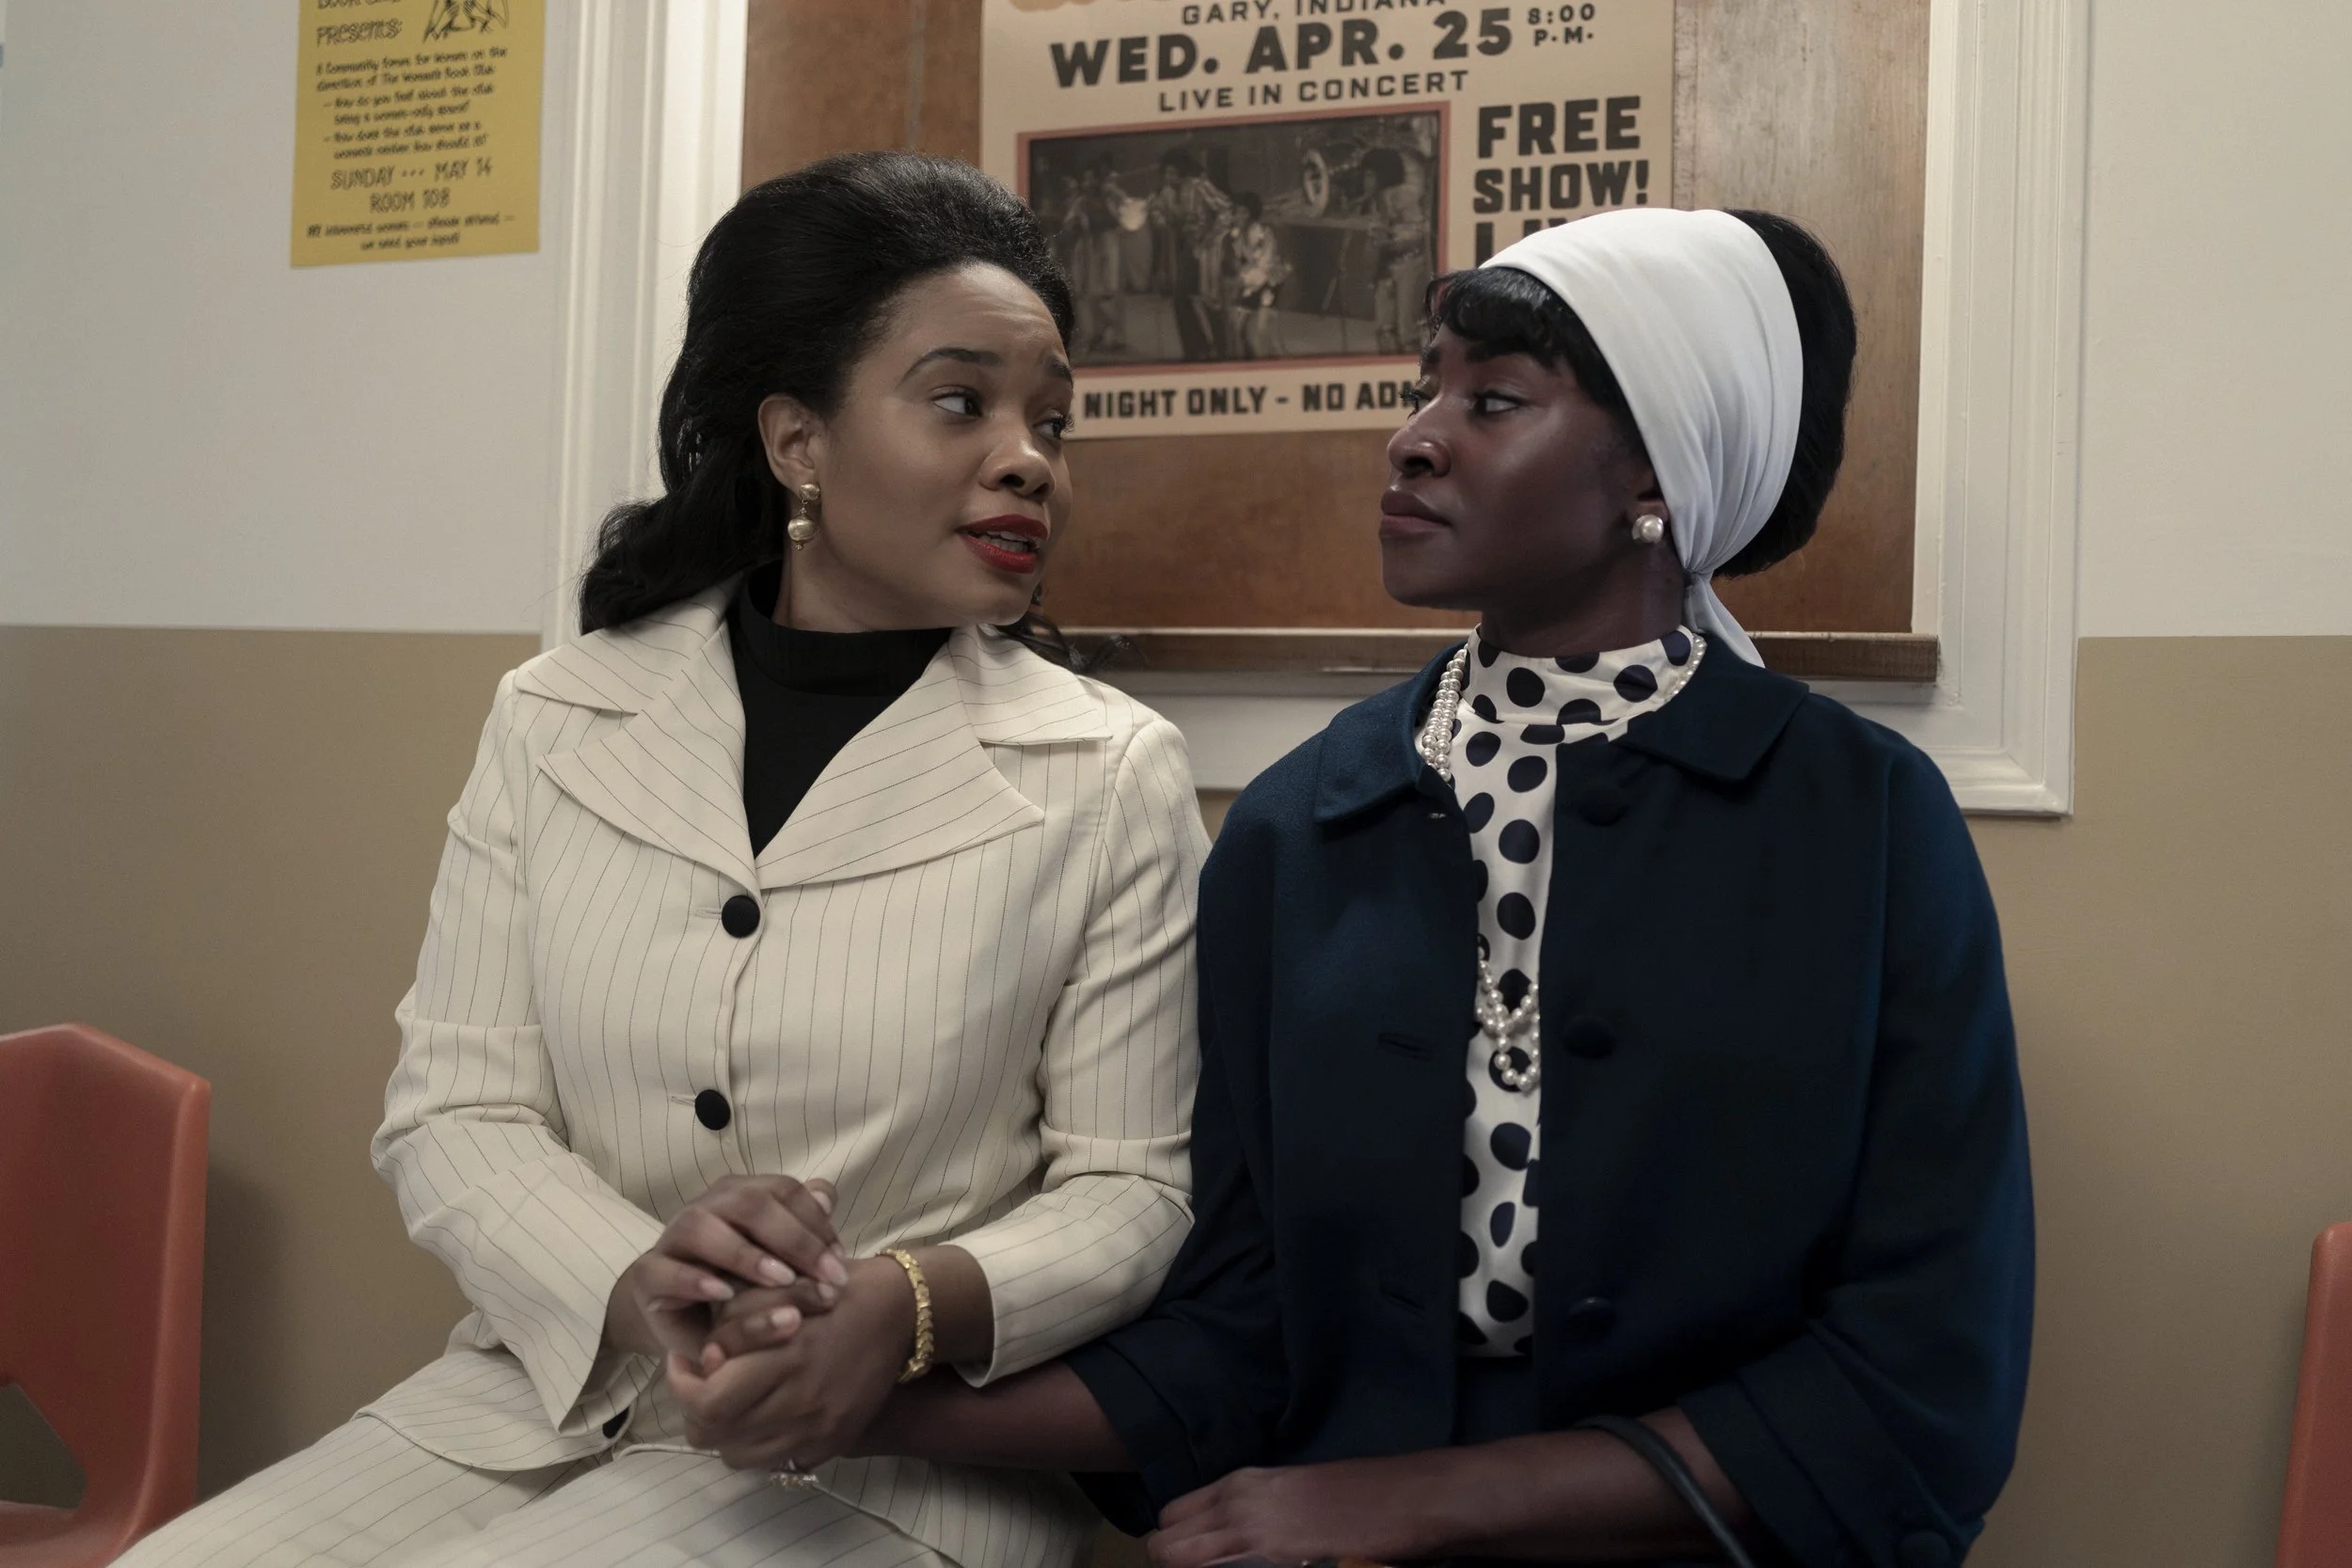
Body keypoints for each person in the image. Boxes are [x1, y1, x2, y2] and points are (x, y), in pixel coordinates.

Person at [718, 206, 2032, 1568]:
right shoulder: (1300, 823)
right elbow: (1235, 1328)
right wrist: (855, 1389)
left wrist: (1418, 1497)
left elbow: (1924, 1367)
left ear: (1657, 465)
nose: (1412, 437)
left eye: (1494, 400)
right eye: (1424, 389)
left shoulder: (1863, 820)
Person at [117, 152, 1209, 1568]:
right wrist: (635, 1280)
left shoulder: (1109, 772)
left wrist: (904, 1303)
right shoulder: (559, 713)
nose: (1029, 459)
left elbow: (1134, 1194)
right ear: (797, 440)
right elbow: (456, 1106)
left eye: (1050, 420)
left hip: (885, 1459)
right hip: (537, 1400)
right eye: (962, 401)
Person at [1147, 149, 1232, 361]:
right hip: (1186, 249)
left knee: (1209, 297)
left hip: (1208, 249)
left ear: (1183, 172)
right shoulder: (1167, 192)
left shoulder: (1199, 186)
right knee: (1180, 297)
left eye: (1173, 173)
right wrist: (1159, 219)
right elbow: (1156, 210)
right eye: (1166, 173)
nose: (1169, 178)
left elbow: (1225, 208)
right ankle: (1196, 348)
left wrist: (1213, 235)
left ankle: (1222, 349)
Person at [1363, 145, 1431, 355]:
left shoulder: (1405, 198)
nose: (1365, 181)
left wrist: (1389, 241)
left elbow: (1419, 234)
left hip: (1409, 265)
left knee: (1407, 330)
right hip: (1386, 267)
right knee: (1384, 328)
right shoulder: (1376, 201)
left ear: (1383, 174)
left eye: (1370, 175)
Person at [1223, 191, 1286, 360]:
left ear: (1251, 213)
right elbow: (1238, 263)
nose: (1239, 216)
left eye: (1243, 212)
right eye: (1236, 212)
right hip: (1248, 284)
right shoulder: (1236, 235)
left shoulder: (1263, 233)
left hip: (1268, 283)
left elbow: (1264, 265)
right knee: (1237, 326)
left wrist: (1242, 281)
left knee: (1263, 333)